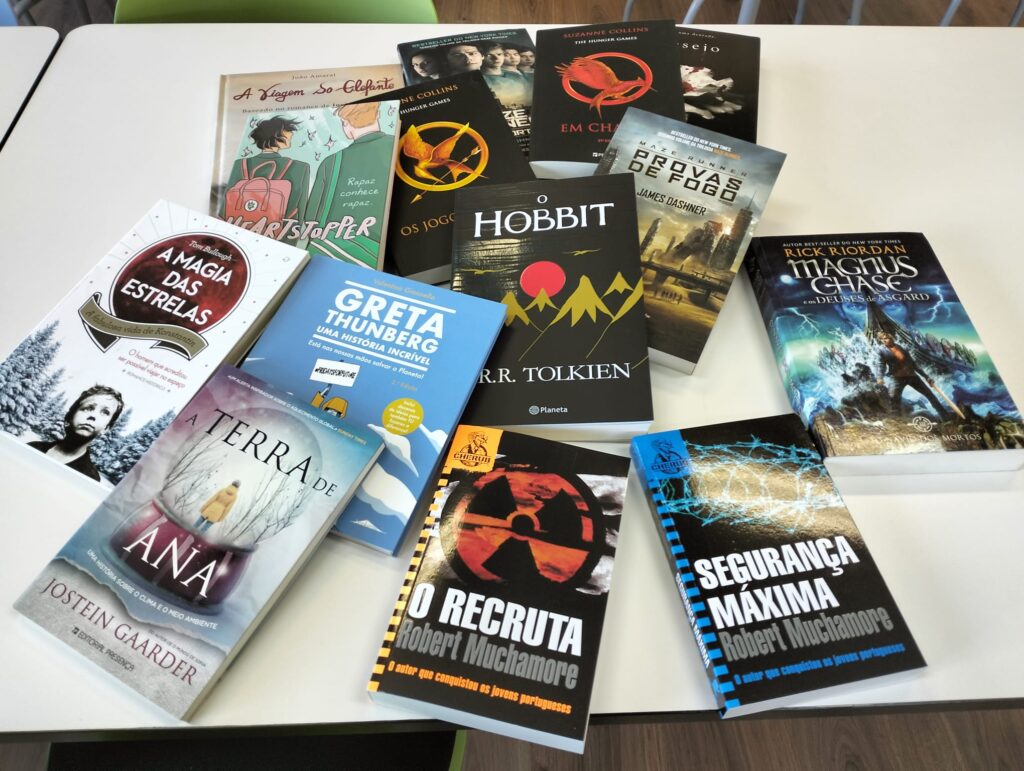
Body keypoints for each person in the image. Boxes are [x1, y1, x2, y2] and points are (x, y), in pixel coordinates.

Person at [304, 102, 393, 267]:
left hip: (335, 252)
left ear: (346, 124)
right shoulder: (396, 145)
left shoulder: (332, 161)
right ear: (378, 114)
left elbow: (311, 216)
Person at [221, 116, 310, 242]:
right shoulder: (300, 168)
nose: (291, 134)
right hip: (279, 237)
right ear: (276, 135)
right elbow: (299, 211)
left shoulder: (239, 165)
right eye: (287, 131)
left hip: (236, 236)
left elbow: (224, 207)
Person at [28, 385, 124, 483]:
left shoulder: (90, 479)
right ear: (70, 417)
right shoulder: (33, 447)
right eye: (88, 408)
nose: (93, 416)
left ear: (106, 428)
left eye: (105, 412)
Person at [874, 331, 949, 419]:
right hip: (897, 378)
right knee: (894, 399)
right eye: (881, 339)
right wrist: (879, 377)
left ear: (891, 338)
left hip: (912, 376)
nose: (884, 341)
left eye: (886, 338)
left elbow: (913, 364)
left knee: (930, 395)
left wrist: (926, 377)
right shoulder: (881, 350)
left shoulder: (901, 348)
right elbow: (880, 364)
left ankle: (945, 416)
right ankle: (897, 421)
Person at [478, 41, 529, 107]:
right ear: (481, 57)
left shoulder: (517, 76)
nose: (496, 58)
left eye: (499, 54)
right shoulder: (479, 80)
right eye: (489, 55)